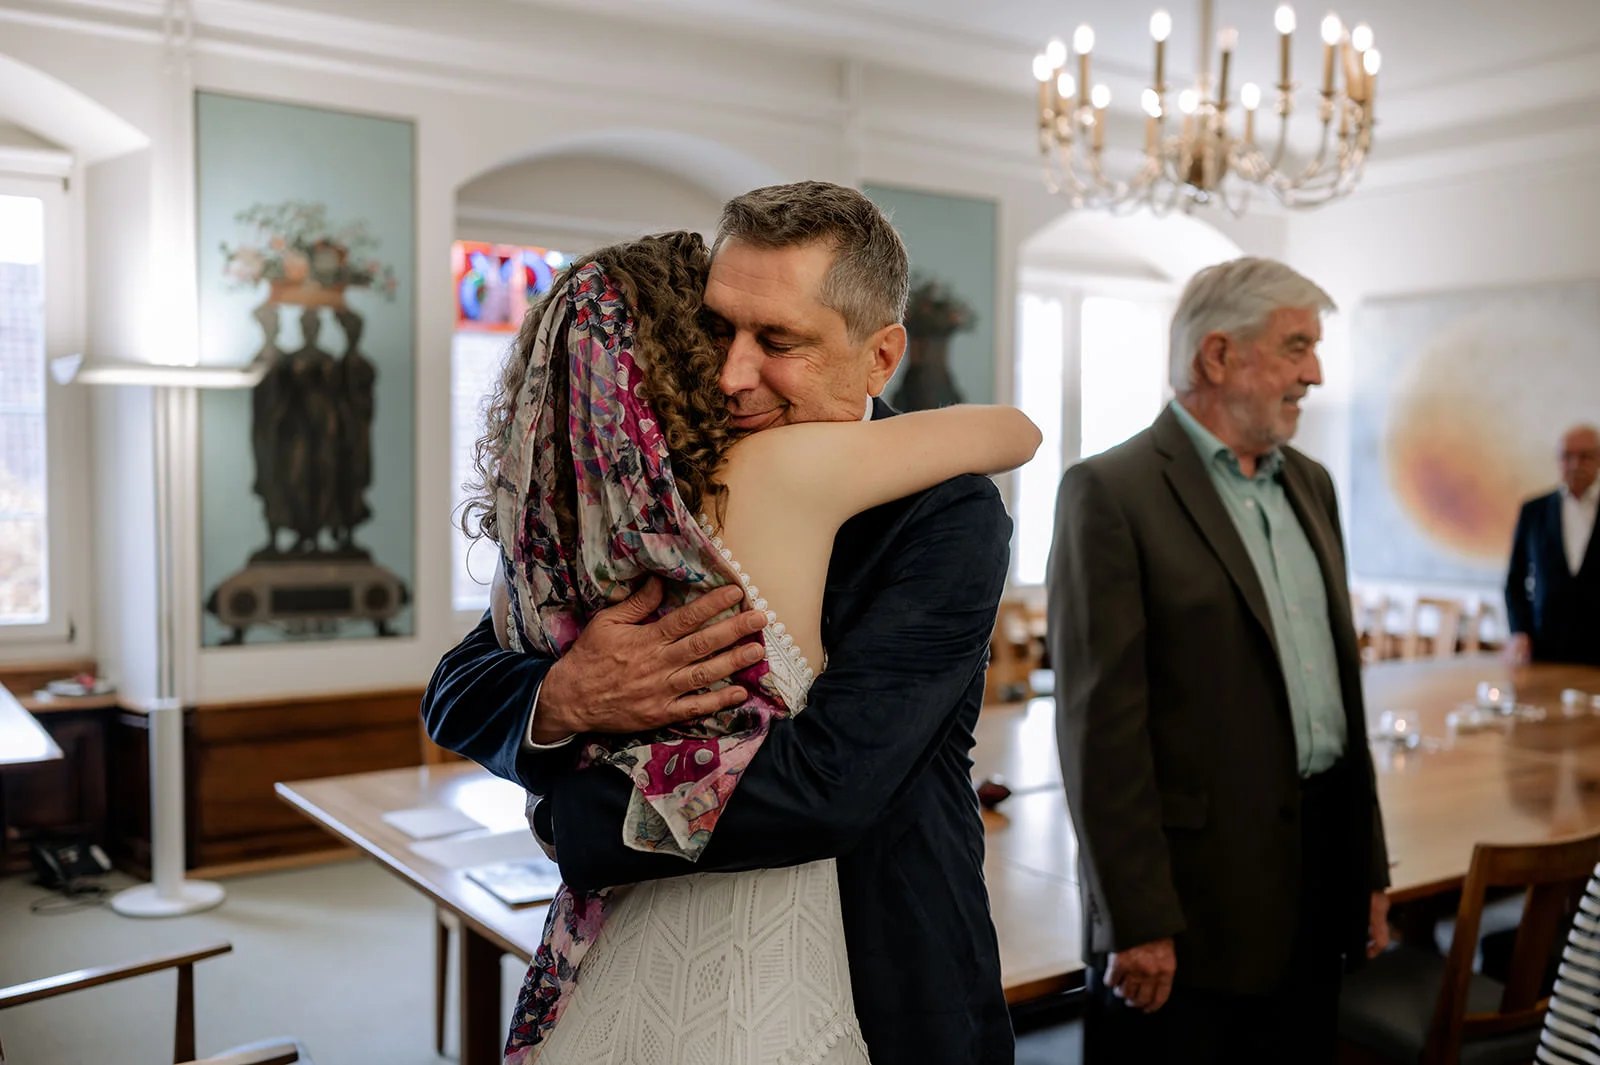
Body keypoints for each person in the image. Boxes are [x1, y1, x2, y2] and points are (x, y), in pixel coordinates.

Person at [424, 181, 1028, 1065]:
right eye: (719, 329)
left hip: (884, 957)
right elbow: (461, 683)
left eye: (778, 341)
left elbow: (829, 785)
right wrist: (563, 693)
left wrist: (576, 821)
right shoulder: (653, 470)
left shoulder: (947, 510)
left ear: (880, 356)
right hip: (655, 945)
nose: (732, 373)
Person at [1046, 257, 1391, 1065]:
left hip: (1318, 881)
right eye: (1297, 345)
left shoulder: (1312, 484)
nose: (1315, 372)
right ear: (1217, 356)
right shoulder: (1111, 491)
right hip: (1186, 910)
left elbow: (1342, 699)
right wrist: (1133, 917)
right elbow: (1100, 728)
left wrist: (1366, 868)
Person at [1506, 424, 1600, 667]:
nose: (1575, 464)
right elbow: (1515, 580)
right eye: (1567, 456)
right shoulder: (1534, 511)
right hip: (1545, 648)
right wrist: (1520, 632)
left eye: (1585, 456)